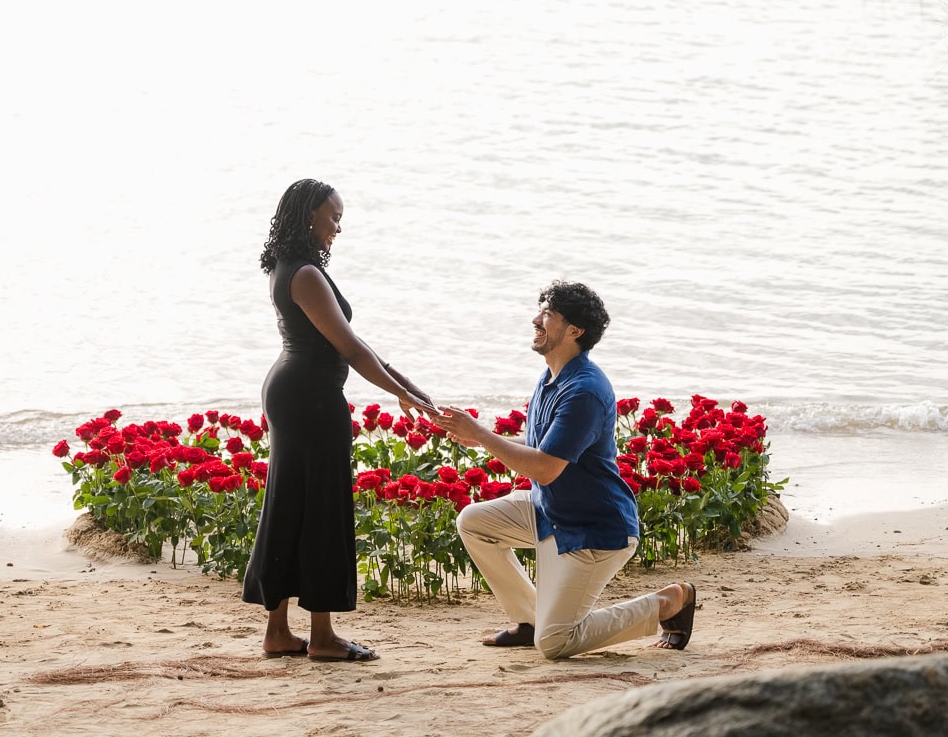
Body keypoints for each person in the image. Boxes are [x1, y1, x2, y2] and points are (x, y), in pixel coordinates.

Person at [435, 280, 697, 660]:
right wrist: (481, 439)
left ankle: (667, 602)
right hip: (550, 511)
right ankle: (530, 620)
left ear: (575, 331)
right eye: (540, 311)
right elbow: (545, 451)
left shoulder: (584, 391)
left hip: (593, 527)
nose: (535, 320)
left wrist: (481, 433)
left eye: (548, 316)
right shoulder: (551, 377)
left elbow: (544, 469)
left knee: (557, 644)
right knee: (475, 521)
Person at [241, 178, 434, 663]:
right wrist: (402, 394)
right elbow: (349, 348)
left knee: (292, 508)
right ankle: (322, 638)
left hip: (299, 394)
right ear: (309, 216)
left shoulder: (295, 268)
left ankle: (279, 633)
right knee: (320, 511)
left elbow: (351, 342)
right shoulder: (304, 273)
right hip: (311, 400)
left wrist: (406, 386)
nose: (337, 229)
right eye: (333, 218)